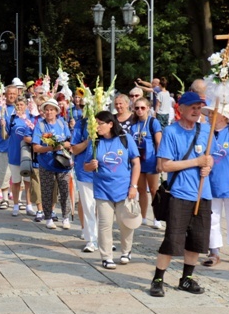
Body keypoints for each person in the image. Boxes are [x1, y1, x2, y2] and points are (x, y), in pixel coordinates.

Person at [149, 91, 214, 297]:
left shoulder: (206, 130)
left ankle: (186, 278)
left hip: (203, 193)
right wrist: (196, 162)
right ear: (181, 109)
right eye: (192, 107)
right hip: (180, 193)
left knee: (197, 240)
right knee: (172, 239)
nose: (196, 111)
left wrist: (208, 164)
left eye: (198, 107)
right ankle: (158, 279)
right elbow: (164, 165)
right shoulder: (171, 132)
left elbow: (209, 157)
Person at [84, 111, 141, 269]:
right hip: (103, 189)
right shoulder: (95, 142)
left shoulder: (125, 139)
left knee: (126, 223)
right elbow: (85, 166)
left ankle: (126, 251)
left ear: (110, 124)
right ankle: (106, 256)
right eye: (95, 124)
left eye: (100, 123)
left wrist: (133, 186)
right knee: (105, 224)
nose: (97, 127)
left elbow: (136, 163)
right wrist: (91, 166)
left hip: (124, 189)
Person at [202, 103, 229, 267]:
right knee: (212, 219)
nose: (209, 116)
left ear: (223, 116)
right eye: (209, 114)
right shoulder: (205, 134)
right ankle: (214, 252)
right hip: (211, 185)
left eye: (213, 113)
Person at [31, 98, 72, 229]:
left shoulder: (62, 123)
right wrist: (50, 148)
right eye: (46, 110)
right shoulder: (40, 125)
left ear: (56, 111)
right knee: (47, 191)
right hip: (46, 163)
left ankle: (66, 217)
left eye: (51, 110)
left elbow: (70, 142)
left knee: (65, 190)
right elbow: (35, 147)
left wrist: (61, 145)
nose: (49, 112)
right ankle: (48, 217)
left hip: (62, 163)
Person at [129, 97, 163, 228]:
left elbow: (159, 142)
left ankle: (157, 218)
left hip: (151, 160)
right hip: (138, 162)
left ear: (148, 108)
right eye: (137, 108)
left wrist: (160, 160)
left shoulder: (153, 122)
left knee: (154, 190)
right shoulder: (133, 124)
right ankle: (143, 217)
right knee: (141, 190)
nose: (139, 110)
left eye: (142, 108)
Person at [0, 85, 18, 208]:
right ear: (5, 95)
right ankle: (4, 198)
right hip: (3, 146)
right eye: (9, 93)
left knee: (17, 174)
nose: (11, 96)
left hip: (17, 147)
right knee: (3, 173)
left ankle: (18, 199)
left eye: (14, 94)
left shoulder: (21, 109)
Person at [71, 116, 97, 252]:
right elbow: (74, 149)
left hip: (104, 171)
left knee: (103, 206)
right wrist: (89, 140)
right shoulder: (81, 124)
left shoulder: (107, 121)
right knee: (88, 205)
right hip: (84, 170)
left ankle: (103, 238)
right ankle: (91, 239)